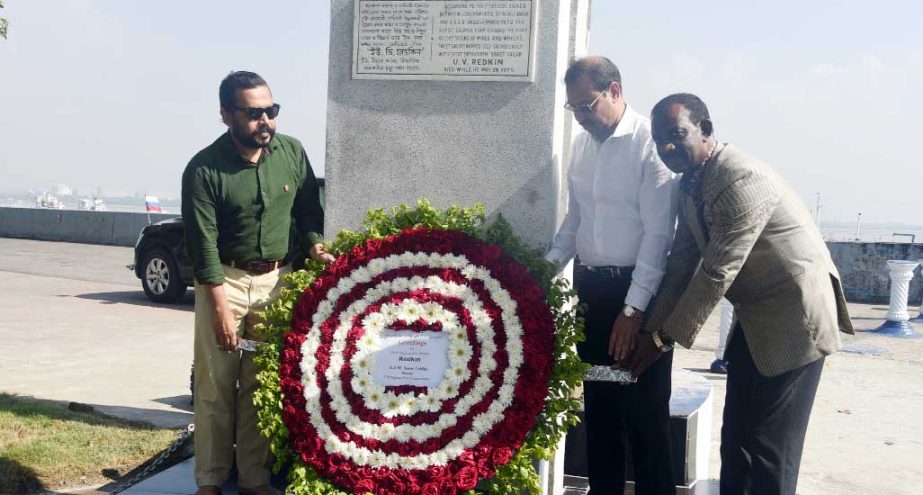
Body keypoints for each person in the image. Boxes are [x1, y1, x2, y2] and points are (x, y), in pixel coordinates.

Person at [625, 93, 854, 495]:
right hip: (757, 319)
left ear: (706, 131)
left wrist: (662, 339)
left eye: (677, 135)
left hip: (796, 318)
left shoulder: (737, 178)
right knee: (736, 438)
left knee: (769, 447)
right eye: (660, 139)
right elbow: (680, 264)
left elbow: (716, 272)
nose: (667, 148)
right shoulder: (689, 184)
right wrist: (647, 329)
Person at [182, 71, 335, 495]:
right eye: (253, 113)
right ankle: (210, 482)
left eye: (271, 110)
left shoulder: (291, 153)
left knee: (259, 384)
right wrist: (219, 309)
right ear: (226, 115)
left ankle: (254, 479)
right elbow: (203, 246)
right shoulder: (204, 169)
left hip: (275, 283)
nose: (265, 121)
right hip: (224, 283)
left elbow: (308, 212)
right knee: (215, 387)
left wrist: (315, 247)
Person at [545, 56, 677, 495]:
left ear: (615, 91)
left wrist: (633, 309)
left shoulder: (647, 144)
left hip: (640, 294)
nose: (580, 117)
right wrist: (544, 269)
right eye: (574, 108)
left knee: (645, 417)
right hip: (593, 294)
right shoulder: (583, 146)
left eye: (587, 105)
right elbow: (576, 219)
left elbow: (659, 236)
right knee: (600, 413)